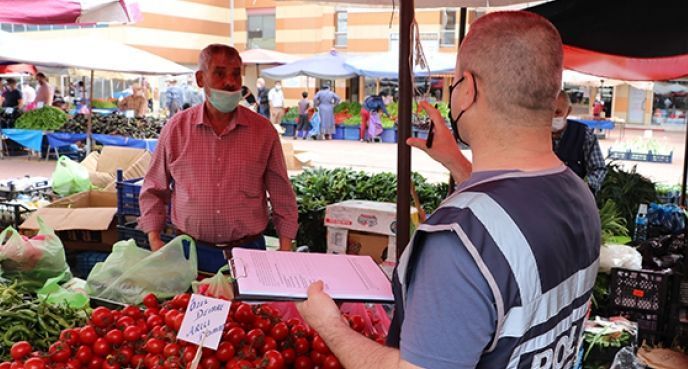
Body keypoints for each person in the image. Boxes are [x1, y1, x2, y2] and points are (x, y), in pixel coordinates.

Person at [296, 11, 600, 369]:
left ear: (468, 89)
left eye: (454, 83)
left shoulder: (457, 243)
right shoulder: (578, 194)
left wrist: (329, 325)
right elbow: (512, 220)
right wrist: (458, 164)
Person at [139, 44, 299, 273]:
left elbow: (282, 194)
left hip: (248, 252)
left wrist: (285, 248)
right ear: (200, 78)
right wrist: (155, 240)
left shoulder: (263, 131)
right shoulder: (176, 129)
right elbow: (154, 189)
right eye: (220, 73)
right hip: (189, 252)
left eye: (236, 74)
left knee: (247, 310)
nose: (230, 82)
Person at [553, 91, 607, 194]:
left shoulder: (584, 134)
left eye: (558, 112)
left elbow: (599, 168)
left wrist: (583, 186)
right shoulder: (536, 134)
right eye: (549, 112)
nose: (553, 117)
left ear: (568, 111)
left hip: (574, 198)